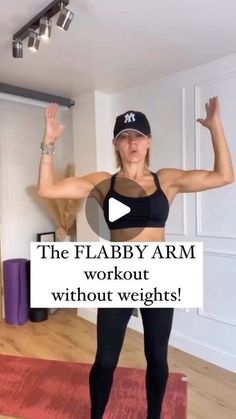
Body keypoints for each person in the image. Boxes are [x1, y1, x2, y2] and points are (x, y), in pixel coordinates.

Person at [38, 97, 234, 419]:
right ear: (116, 143)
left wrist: (215, 127)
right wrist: (48, 144)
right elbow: (47, 189)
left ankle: (153, 415)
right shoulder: (103, 182)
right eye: (125, 136)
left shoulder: (166, 180)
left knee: (157, 356)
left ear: (149, 142)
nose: (133, 142)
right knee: (105, 359)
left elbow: (224, 175)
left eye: (139, 135)